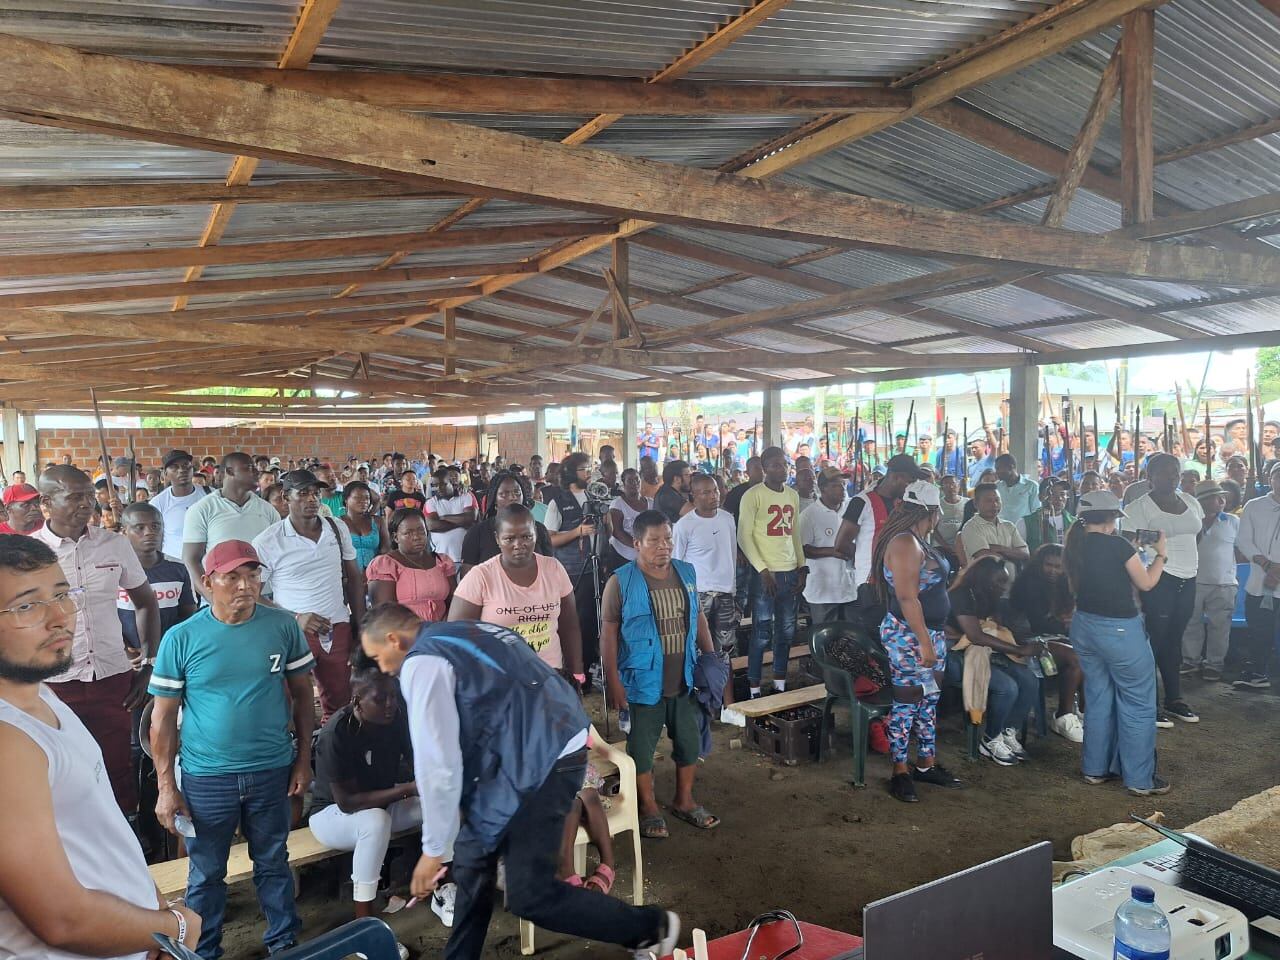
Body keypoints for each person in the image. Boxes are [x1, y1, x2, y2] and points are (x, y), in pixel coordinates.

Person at [360, 607, 681, 960]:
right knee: (471, 861)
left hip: (542, 760)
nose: (384, 668)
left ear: (394, 639)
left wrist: (433, 850)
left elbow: (437, 763)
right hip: (535, 749)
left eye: (378, 657)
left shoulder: (421, 663)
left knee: (530, 895)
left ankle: (651, 928)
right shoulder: (465, 631)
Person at [0, 535, 203, 960]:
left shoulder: (41, 696)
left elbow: (102, 832)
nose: (60, 617)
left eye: (62, 594)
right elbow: (62, 920)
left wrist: (154, 914)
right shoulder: (9, 742)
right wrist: (176, 927)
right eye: (27, 605)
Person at [149, 540, 314, 959]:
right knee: (206, 873)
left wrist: (303, 761)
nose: (246, 585)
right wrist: (166, 787)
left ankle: (283, 943)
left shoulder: (283, 627)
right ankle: (203, 951)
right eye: (233, 576)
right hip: (207, 777)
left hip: (272, 769)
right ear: (207, 582)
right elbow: (162, 719)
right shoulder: (181, 638)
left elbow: (303, 696)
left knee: (274, 861)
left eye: (253, 575)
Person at [33, 466, 159, 816]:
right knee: (59, 769)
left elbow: (146, 602)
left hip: (111, 678)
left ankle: (125, 834)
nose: (87, 504)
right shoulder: (27, 553)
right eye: (75, 497)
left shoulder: (114, 544)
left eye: (90, 496)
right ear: (46, 503)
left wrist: (148, 665)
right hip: (51, 683)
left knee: (115, 766)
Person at [601, 511, 718, 837]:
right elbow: (608, 635)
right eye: (654, 540)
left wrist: (710, 658)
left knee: (689, 742)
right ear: (637, 543)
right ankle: (648, 807)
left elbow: (699, 618)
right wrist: (613, 682)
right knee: (641, 747)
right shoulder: (620, 582)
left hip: (684, 678)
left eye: (668, 538)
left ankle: (684, 800)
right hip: (642, 682)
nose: (664, 546)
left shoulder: (686, 572)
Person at [307, 668, 449, 931]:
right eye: (380, 699)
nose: (390, 704)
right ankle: (366, 927)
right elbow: (347, 802)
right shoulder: (336, 732)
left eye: (393, 697)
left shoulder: (397, 719)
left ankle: (444, 890)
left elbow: (416, 761)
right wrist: (408, 789)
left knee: (443, 805)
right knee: (375, 821)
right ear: (357, 700)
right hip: (332, 816)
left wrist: (430, 781)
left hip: (383, 804)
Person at [1064, 490, 1170, 796]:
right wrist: (1161, 555)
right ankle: (1139, 779)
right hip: (1120, 630)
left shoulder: (1075, 543)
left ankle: (1095, 769)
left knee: (1098, 696)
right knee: (1137, 702)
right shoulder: (1118, 545)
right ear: (1112, 517)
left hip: (1084, 626)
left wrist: (1131, 550)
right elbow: (1146, 583)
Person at [252, 468, 367, 723]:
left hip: (337, 628)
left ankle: (330, 744)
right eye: (303, 493)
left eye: (315, 493)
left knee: (340, 703)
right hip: (293, 633)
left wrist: (359, 626)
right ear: (286, 498)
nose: (312, 499)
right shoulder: (268, 541)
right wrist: (296, 618)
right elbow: (253, 595)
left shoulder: (336, 528)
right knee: (286, 700)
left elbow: (354, 579)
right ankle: (294, 745)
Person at [872, 481, 962, 802]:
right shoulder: (904, 543)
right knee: (908, 701)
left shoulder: (918, 539)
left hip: (929, 632)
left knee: (928, 698)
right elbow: (907, 597)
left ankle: (925, 763)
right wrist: (924, 642)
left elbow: (930, 588)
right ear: (933, 512)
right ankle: (899, 770)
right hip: (908, 635)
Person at [450, 503, 582, 678]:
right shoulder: (480, 577)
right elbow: (458, 638)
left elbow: (569, 625)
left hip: (550, 677)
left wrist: (576, 675)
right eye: (509, 538)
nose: (519, 544)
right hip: (502, 680)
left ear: (535, 533)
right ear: (497, 539)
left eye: (526, 536)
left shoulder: (554, 569)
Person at [1119, 453, 1203, 726]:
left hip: (1188, 577)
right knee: (1154, 640)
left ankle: (1174, 699)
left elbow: (1197, 533)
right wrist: (1160, 541)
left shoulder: (1191, 501)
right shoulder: (1139, 507)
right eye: (1165, 472)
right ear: (1150, 477)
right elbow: (1127, 540)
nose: (1172, 477)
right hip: (1159, 578)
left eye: (1175, 471)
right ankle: (1149, 702)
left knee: (1174, 639)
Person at [945, 556, 1044, 765]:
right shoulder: (960, 595)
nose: (1004, 586)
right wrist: (1019, 649)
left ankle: (1008, 730)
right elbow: (975, 635)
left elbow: (994, 627)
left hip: (984, 651)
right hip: (953, 655)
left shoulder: (989, 596)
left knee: (1029, 680)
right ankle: (990, 738)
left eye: (1005, 581)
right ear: (983, 579)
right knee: (1007, 687)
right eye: (1000, 581)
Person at [737, 447, 807, 697]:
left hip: (789, 572)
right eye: (776, 465)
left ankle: (779, 684)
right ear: (764, 468)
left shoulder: (792, 495)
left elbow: (795, 534)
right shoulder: (753, 495)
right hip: (765, 575)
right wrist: (763, 570)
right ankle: (754, 688)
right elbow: (744, 536)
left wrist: (802, 566)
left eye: (785, 464)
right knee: (762, 632)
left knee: (786, 632)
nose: (782, 469)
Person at [672, 475, 738, 702]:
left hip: (725, 593)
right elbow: (676, 564)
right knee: (696, 649)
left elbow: (731, 555)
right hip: (697, 595)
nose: (713, 496)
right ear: (694, 496)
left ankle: (727, 704)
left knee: (726, 650)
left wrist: (732, 589)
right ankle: (697, 701)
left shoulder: (728, 519)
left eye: (715, 490)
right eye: (706, 492)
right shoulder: (684, 525)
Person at [1009, 544, 1085, 741]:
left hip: (1054, 636)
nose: (1053, 570)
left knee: (1090, 654)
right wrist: (1065, 624)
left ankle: (1082, 710)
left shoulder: (1065, 585)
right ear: (1039, 564)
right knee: (1076, 658)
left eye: (1058, 566)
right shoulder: (1028, 584)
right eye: (1048, 565)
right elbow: (1037, 623)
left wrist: (1069, 622)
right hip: (1028, 641)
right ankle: (1063, 716)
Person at [182, 452, 279, 602]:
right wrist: (214, 599)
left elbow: (278, 556)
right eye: (249, 468)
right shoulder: (203, 509)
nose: (257, 472)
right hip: (221, 596)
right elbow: (191, 560)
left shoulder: (268, 510)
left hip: (263, 596)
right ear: (230, 471)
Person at [543, 452, 603, 678]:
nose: (589, 473)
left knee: (594, 621)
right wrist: (577, 532)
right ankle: (576, 671)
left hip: (595, 567)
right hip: (571, 571)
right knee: (576, 622)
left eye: (589, 468)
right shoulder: (557, 502)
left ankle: (592, 666)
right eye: (584, 469)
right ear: (571, 473)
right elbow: (549, 539)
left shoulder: (593, 496)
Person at [1178, 481, 1239, 682]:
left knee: (1219, 627)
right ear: (1202, 501)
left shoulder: (1233, 521)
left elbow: (1241, 549)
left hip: (1224, 582)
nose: (1222, 500)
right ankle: (1190, 660)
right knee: (1191, 623)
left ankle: (1214, 664)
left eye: (1222, 497)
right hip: (1193, 580)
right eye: (1216, 497)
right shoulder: (1191, 522)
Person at [835, 453, 921, 587]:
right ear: (895, 477)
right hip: (871, 583)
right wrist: (868, 554)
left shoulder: (905, 502)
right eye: (909, 482)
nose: (911, 486)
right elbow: (841, 544)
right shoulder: (861, 502)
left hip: (899, 580)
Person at [1232, 462, 1280, 690]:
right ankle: (1258, 673)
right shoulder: (1254, 506)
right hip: (1259, 582)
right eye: (1278, 476)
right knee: (1260, 630)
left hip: (1271, 576)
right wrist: (1268, 565)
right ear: (1270, 479)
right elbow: (1243, 540)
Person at [368, 507, 456, 624]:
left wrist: (444, 626)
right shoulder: (385, 565)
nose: (416, 537)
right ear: (395, 537)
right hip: (404, 631)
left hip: (442, 629)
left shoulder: (442, 561)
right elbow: (386, 613)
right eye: (408, 533)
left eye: (421, 531)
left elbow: (454, 602)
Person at [459, 472, 552, 578]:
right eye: (504, 494)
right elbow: (468, 577)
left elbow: (549, 570)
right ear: (494, 500)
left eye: (517, 492)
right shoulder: (477, 533)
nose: (513, 497)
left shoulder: (539, 529)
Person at [800, 467, 856, 625]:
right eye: (836, 485)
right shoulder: (809, 515)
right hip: (823, 591)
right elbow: (803, 549)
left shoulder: (852, 509)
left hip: (850, 588)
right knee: (825, 635)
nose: (842, 488)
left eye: (843, 484)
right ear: (823, 488)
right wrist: (834, 551)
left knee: (852, 635)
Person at [958, 483, 1029, 581]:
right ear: (976, 504)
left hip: (1012, 585)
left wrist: (998, 548)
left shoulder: (1009, 526)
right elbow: (985, 557)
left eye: (997, 500)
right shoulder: (971, 527)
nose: (994, 504)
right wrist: (1012, 553)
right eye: (988, 501)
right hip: (984, 584)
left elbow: (1025, 554)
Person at [149, 449, 205, 562]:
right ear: (165, 474)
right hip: (174, 563)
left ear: (192, 469)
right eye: (174, 467)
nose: (182, 470)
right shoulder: (158, 503)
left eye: (186, 465)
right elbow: (155, 539)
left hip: (208, 562)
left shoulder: (209, 494)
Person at [425, 466, 479, 564]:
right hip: (441, 559)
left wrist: (443, 518)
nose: (439, 488)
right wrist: (462, 523)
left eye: (443, 484)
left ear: (452, 482)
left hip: (467, 558)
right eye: (435, 485)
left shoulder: (466, 496)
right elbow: (432, 525)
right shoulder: (431, 503)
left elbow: (470, 518)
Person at [608, 467, 653, 569]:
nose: (635, 483)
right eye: (630, 481)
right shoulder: (617, 504)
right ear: (623, 483)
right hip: (622, 556)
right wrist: (639, 546)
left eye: (637, 479)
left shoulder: (651, 503)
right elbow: (617, 532)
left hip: (646, 555)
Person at [341, 480, 386, 572]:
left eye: (367, 498)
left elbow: (386, 549)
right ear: (346, 500)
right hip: (347, 576)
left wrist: (374, 571)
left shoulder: (378, 521)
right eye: (358, 498)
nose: (364, 501)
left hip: (376, 573)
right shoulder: (338, 523)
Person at [994, 454, 1040, 540]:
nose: (996, 472)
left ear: (1011, 467)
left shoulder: (1031, 486)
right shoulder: (996, 487)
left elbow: (1036, 511)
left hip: (1023, 532)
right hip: (1001, 532)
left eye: (998, 468)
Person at [935, 474, 968, 553]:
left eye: (953, 483)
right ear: (942, 489)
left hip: (965, 545)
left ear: (958, 486)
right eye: (946, 484)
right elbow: (934, 529)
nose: (951, 487)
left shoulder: (968, 503)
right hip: (941, 546)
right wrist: (947, 546)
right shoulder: (937, 505)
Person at [654, 459, 692, 524]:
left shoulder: (667, 490)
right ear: (677, 479)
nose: (691, 478)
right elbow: (698, 512)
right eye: (687, 475)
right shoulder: (667, 495)